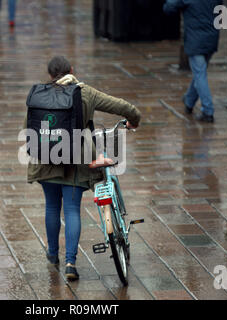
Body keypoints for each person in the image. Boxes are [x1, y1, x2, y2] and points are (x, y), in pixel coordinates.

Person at [25, 56, 141, 280]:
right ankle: (70, 263)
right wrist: (134, 120)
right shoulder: (85, 92)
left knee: (51, 207)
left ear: (50, 75)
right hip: (76, 163)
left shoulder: (39, 94)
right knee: (71, 209)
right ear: (71, 70)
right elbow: (122, 107)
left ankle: (52, 254)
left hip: (46, 159)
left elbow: (28, 127)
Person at [164, 0, 223, 123]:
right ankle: (189, 101)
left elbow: (169, 7)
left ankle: (208, 110)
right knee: (199, 72)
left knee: (200, 74)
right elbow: (222, 14)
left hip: (195, 40)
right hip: (212, 38)